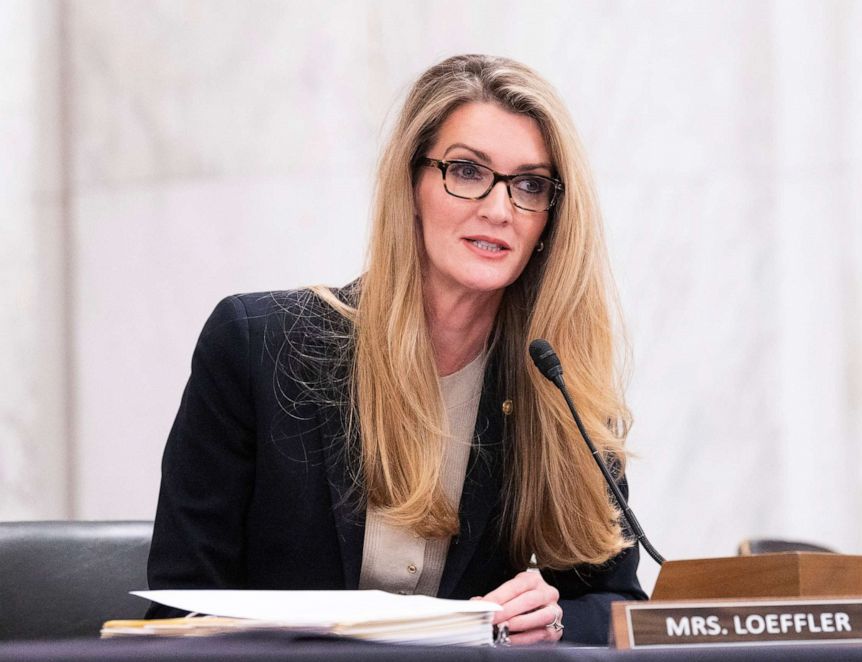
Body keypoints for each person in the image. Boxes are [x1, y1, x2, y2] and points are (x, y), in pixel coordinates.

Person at [146, 53, 647, 645]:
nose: (498, 208)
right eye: (466, 171)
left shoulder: (559, 388)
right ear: (410, 186)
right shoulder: (255, 346)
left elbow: (617, 607)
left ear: (551, 221)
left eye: (531, 185)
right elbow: (178, 614)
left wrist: (552, 620)